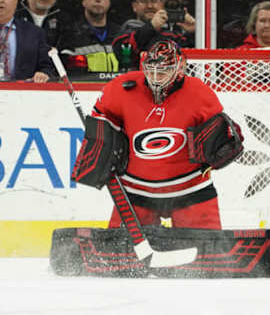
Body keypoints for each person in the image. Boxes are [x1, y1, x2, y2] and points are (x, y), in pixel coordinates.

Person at [77, 40, 243, 229]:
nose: (155, 77)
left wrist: (224, 143)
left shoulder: (200, 94)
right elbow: (102, 120)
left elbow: (219, 133)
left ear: (179, 67)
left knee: (208, 253)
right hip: (135, 189)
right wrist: (102, 140)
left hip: (191, 190)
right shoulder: (122, 88)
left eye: (163, 71)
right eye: (150, 70)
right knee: (119, 253)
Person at [112, 0, 195, 71]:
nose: (150, 6)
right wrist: (151, 27)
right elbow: (123, 56)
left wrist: (193, 32)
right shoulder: (126, 30)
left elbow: (192, 62)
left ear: (162, 4)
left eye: (154, 0)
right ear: (134, 6)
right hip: (135, 85)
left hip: (167, 86)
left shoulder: (172, 34)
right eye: (144, 1)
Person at [58, 0, 121, 75]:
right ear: (83, 2)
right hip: (82, 85)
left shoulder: (120, 34)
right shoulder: (69, 34)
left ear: (109, 2)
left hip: (116, 85)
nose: (98, 0)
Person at [0, 0, 53, 82]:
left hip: (22, 92)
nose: (1, 0)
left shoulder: (35, 33)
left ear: (16, 1)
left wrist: (43, 74)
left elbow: (46, 67)